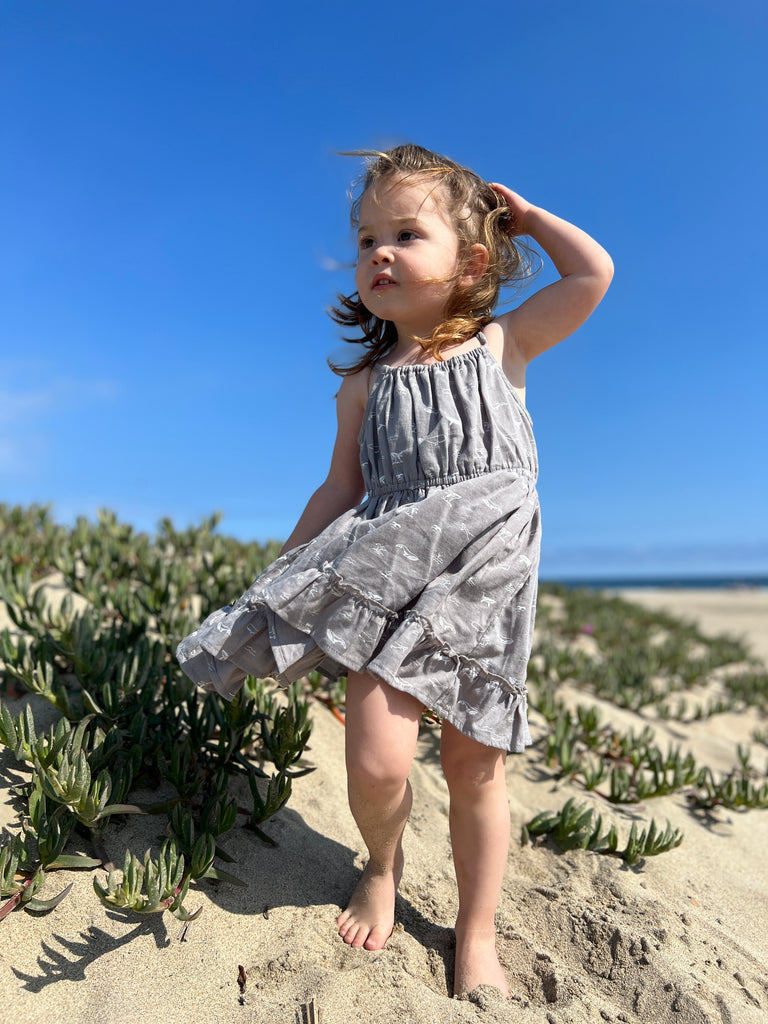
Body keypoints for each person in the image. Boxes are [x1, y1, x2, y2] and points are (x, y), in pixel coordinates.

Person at [176, 143, 613, 999]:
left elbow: (592, 275)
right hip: (387, 579)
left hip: (484, 585)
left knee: (472, 767)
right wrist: (286, 569)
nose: (380, 252)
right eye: (367, 237)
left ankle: (476, 930)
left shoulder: (503, 345)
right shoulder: (366, 386)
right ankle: (383, 863)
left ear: (471, 262)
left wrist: (528, 218)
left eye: (407, 234)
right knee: (377, 760)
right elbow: (343, 487)